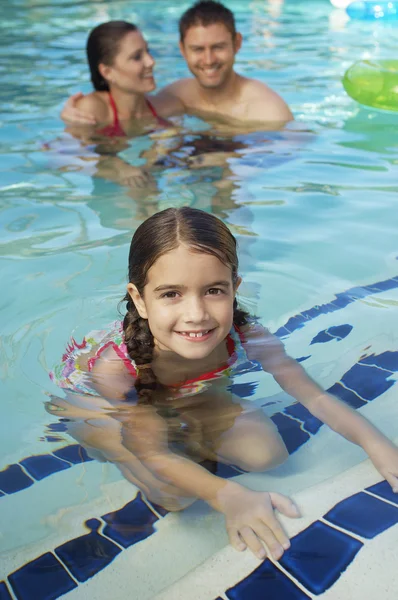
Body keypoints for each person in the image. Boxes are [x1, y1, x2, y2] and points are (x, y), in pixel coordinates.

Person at [49, 207, 398, 562]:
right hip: (99, 405)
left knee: (267, 456)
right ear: (139, 299)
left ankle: (187, 435)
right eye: (171, 294)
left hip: (192, 394)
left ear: (235, 288)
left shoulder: (247, 336)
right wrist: (226, 494)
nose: (196, 314)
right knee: (175, 495)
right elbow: (149, 449)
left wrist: (377, 443)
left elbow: (315, 397)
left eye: (214, 290)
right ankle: (177, 445)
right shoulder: (114, 369)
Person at [61, 1, 293, 129]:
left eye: (218, 47)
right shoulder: (178, 95)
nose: (209, 60)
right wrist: (72, 117)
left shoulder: (269, 111)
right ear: (182, 49)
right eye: (198, 49)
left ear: (237, 43)